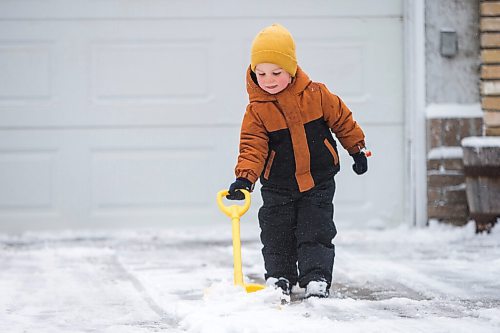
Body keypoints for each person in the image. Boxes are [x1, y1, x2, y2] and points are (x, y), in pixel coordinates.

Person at [226, 23, 368, 299]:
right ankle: (279, 277)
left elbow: (343, 120)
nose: (268, 79)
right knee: (276, 232)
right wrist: (244, 178)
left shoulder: (317, 94)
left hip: (318, 179)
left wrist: (356, 150)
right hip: (278, 184)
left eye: (276, 72)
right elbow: (251, 147)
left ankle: (316, 278)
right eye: (261, 73)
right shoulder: (257, 111)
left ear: (291, 69)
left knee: (316, 229)